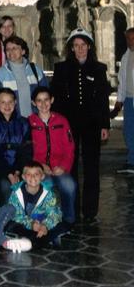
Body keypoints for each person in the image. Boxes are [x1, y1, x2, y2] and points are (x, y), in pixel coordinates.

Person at [50, 28, 110, 223]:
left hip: (92, 124)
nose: (80, 49)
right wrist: (57, 124)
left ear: (89, 46)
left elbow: (102, 99)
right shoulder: (62, 68)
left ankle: (90, 211)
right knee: (71, 165)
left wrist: (104, 125)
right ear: (71, 48)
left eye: (83, 45)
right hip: (69, 124)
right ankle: (72, 208)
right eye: (76, 45)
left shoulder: (99, 69)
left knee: (92, 167)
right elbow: (57, 99)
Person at [29, 87, 77, 225]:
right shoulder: (29, 122)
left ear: (52, 100)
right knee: (46, 186)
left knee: (69, 185)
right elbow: (27, 150)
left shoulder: (62, 121)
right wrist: (40, 166)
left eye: (46, 100)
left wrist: (63, 166)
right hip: (39, 168)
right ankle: (45, 222)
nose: (43, 104)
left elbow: (69, 148)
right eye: (39, 100)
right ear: (34, 103)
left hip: (59, 166)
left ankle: (68, 220)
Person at [0, 88, 32, 204]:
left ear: (15, 102)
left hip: (19, 168)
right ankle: (7, 213)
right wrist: (9, 174)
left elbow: (26, 151)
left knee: (29, 183)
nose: (7, 105)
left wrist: (17, 171)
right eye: (3, 102)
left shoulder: (24, 123)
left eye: (10, 102)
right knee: (5, 185)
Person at [6, 161, 68, 248]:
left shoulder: (48, 192)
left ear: (42, 176)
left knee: (63, 224)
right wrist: (31, 224)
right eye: (29, 174)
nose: (33, 177)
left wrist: (45, 226)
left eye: (36, 174)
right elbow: (16, 215)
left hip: (42, 223)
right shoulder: (16, 192)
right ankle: (42, 240)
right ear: (23, 177)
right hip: (25, 225)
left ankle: (35, 240)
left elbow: (54, 213)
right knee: (10, 225)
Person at [0, 36, 48, 118]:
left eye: (14, 48)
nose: (11, 51)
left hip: (35, 119)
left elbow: (46, 94)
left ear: (23, 51)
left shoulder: (35, 70)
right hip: (13, 120)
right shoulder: (0, 73)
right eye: (8, 49)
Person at [112, 27, 134, 173]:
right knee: (128, 131)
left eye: (133, 38)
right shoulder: (126, 56)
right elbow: (122, 81)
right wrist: (119, 102)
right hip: (129, 99)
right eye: (128, 39)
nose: (130, 41)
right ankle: (132, 162)